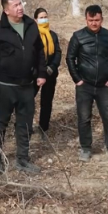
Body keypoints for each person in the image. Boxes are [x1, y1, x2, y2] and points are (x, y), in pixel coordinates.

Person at [0, 0, 46, 175]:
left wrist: (41, 73)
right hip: (5, 85)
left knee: (25, 124)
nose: (20, 8)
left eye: (20, 4)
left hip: (27, 85)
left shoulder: (31, 25)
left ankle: (23, 160)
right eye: (15, 5)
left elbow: (40, 50)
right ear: (6, 10)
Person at [66, 5, 108, 162]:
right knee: (84, 118)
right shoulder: (78, 36)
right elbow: (70, 58)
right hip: (85, 85)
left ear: (102, 19)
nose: (94, 23)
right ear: (86, 20)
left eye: (97, 20)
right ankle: (85, 148)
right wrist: (77, 79)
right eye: (91, 20)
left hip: (104, 86)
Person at [30, 7, 62, 141]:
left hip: (50, 73)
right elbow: (30, 55)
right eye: (41, 17)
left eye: (45, 17)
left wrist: (52, 67)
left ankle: (43, 127)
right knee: (28, 100)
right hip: (34, 74)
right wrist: (38, 71)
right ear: (35, 20)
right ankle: (25, 126)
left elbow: (58, 53)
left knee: (47, 101)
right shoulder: (31, 35)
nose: (44, 19)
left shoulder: (52, 35)